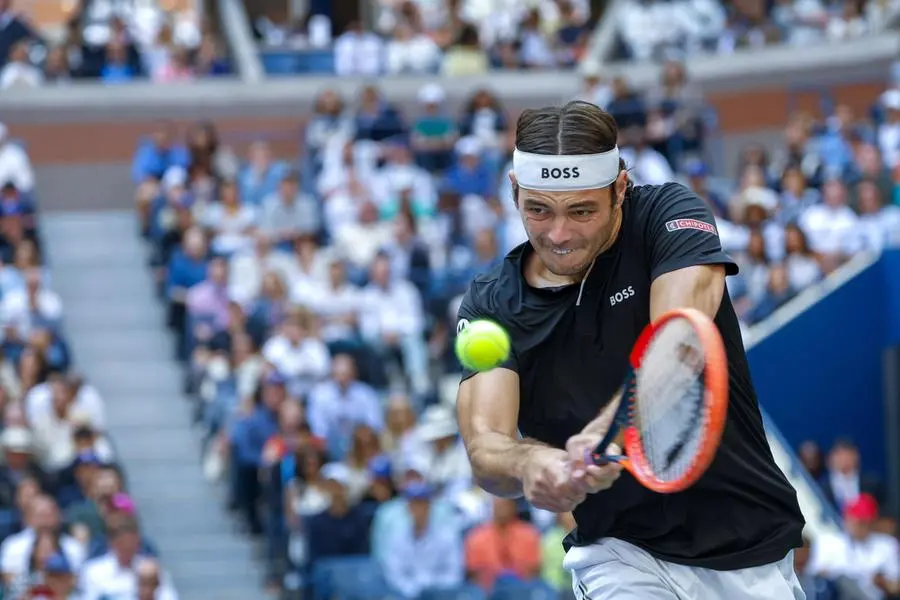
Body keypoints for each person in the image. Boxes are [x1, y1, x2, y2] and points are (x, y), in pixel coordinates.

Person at [455, 101, 806, 600]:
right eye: (538, 209)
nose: (558, 234)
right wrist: (529, 464)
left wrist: (609, 432)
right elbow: (485, 445)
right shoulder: (490, 303)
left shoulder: (669, 215)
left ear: (621, 189)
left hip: (748, 547)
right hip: (616, 554)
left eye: (581, 211)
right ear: (514, 190)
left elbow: (680, 341)